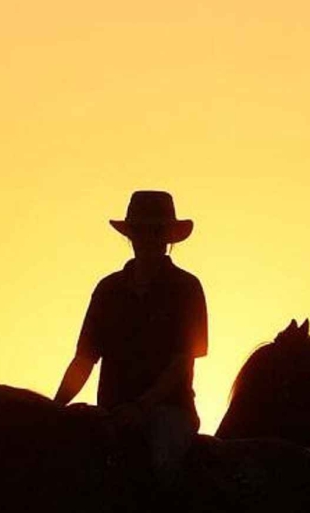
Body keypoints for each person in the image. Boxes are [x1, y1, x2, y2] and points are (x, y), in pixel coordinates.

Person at [53, 190, 208, 481]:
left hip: (170, 412)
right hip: (110, 413)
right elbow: (84, 360)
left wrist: (141, 407)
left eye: (155, 231)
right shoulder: (107, 290)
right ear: (131, 235)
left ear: (167, 238)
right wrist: (54, 408)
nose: (148, 238)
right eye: (141, 231)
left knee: (164, 465)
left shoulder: (186, 288)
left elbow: (182, 362)